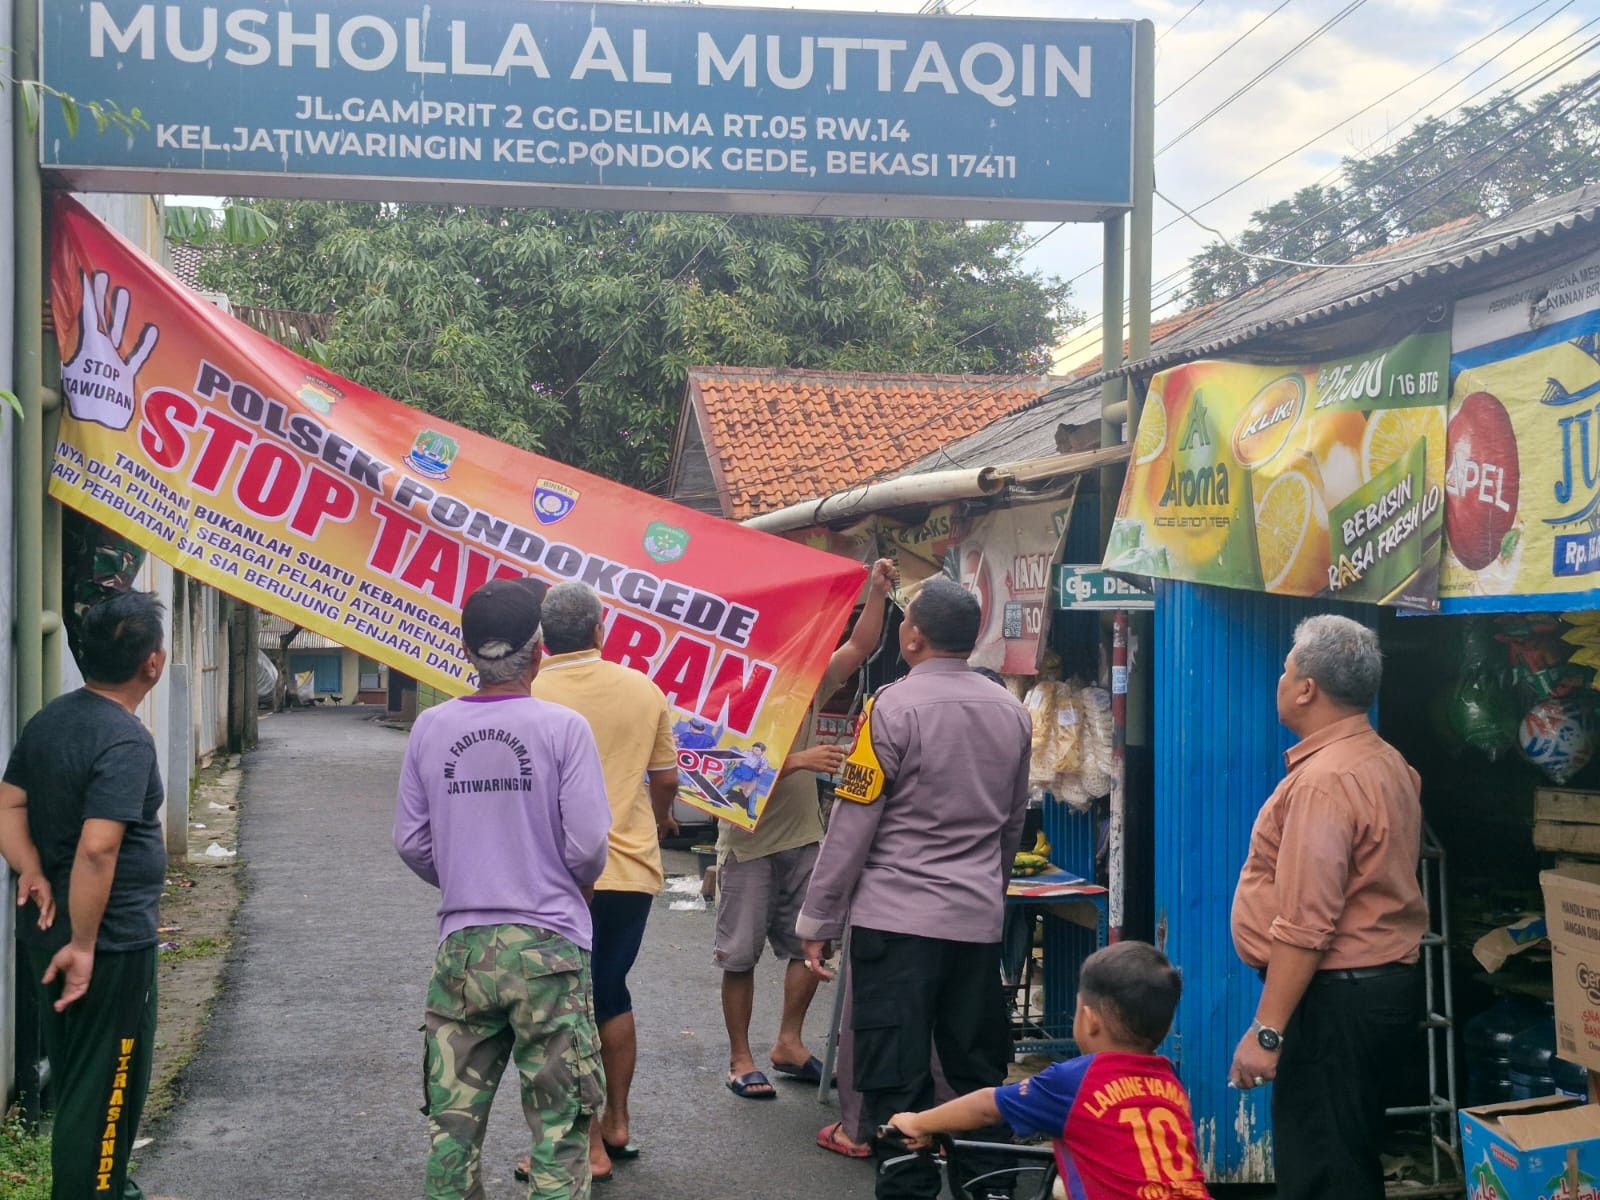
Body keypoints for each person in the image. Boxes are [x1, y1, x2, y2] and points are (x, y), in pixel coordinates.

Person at [797, 574, 1032, 1200]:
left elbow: (853, 823)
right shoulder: (1012, 711)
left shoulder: (890, 710)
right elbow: (1011, 824)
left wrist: (818, 921)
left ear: (914, 635)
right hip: (975, 924)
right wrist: (988, 890)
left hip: (895, 924)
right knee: (977, 1073)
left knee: (895, 1083)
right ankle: (990, 1189)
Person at [394, 576, 612, 1200]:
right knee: (559, 1127)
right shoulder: (563, 728)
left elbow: (411, 840)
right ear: (539, 651)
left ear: (466, 653)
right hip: (549, 948)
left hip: (461, 951)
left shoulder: (431, 729)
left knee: (452, 1127)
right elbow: (589, 846)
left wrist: (465, 876)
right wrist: (567, 882)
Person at [1228, 614, 1425, 1200]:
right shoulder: (1387, 761)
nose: (1281, 681)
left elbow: (1307, 923)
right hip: (1373, 992)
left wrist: (1266, 1031)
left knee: (1322, 1172)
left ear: (1307, 688)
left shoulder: (1326, 782)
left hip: (1336, 998)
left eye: (1286, 670)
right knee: (1346, 1155)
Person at [0, 589, 168, 1200]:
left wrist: (30, 868)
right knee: (108, 1094)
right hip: (107, 948)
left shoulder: (50, 721)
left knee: (80, 1086)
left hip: (46, 935)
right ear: (153, 661)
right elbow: (101, 847)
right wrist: (86, 944)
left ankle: (107, 1187)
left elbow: (8, 801)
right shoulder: (124, 738)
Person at [716, 557, 896, 1100]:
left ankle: (788, 1044)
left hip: (802, 837)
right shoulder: (726, 691)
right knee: (739, 955)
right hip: (746, 844)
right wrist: (795, 762)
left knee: (809, 945)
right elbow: (716, 773)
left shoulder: (804, 682)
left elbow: (859, 646)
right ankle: (740, 1058)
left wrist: (877, 591)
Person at [524, 581, 680, 1182]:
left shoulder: (528, 692)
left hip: (551, 874)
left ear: (542, 637)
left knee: (561, 1002)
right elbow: (665, 777)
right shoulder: (642, 689)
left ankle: (583, 1144)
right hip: (628, 870)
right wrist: (662, 816)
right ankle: (616, 1122)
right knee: (609, 990)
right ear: (598, 630)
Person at [887, 941, 1212, 1200]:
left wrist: (918, 1122)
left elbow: (987, 1107)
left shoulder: (1072, 1081)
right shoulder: (1169, 1080)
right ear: (1167, 1029)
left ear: (1089, 1019)